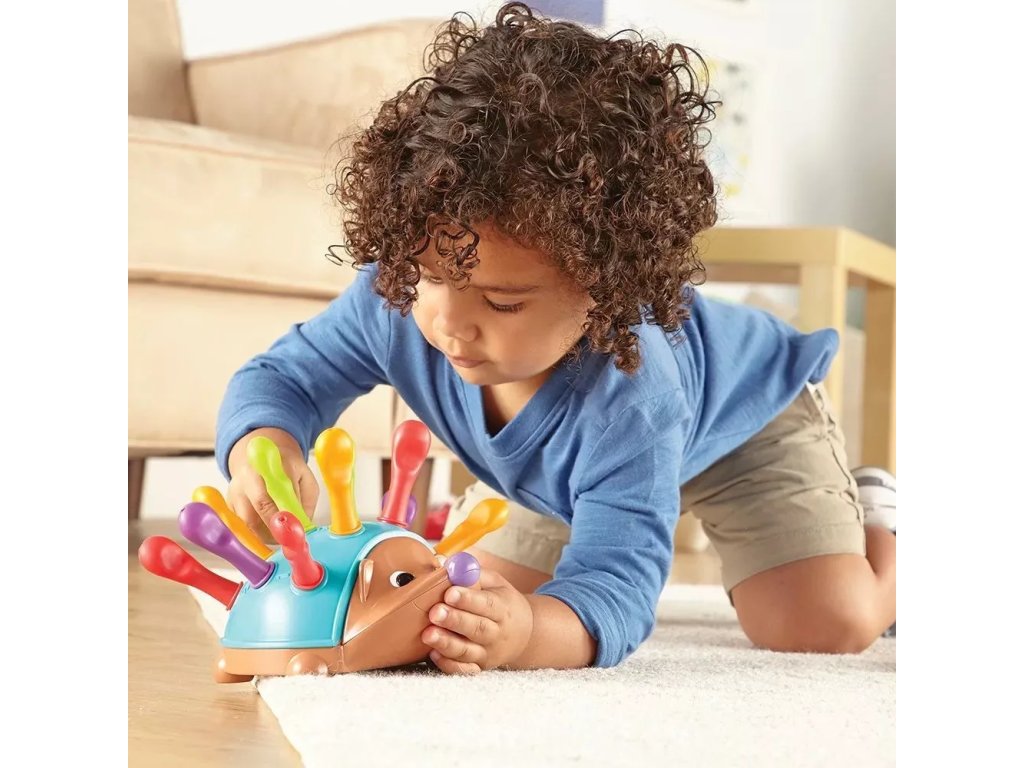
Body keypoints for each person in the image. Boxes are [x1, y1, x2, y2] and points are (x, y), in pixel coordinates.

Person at [214, 2, 896, 675]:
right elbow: (284, 379)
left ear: (605, 288)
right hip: (573, 478)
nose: (448, 321)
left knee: (821, 623)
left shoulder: (634, 395)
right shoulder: (394, 297)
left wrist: (526, 637)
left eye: (503, 301)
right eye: (429, 276)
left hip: (747, 423)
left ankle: (885, 523)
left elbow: (617, 590)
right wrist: (263, 445)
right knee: (470, 602)